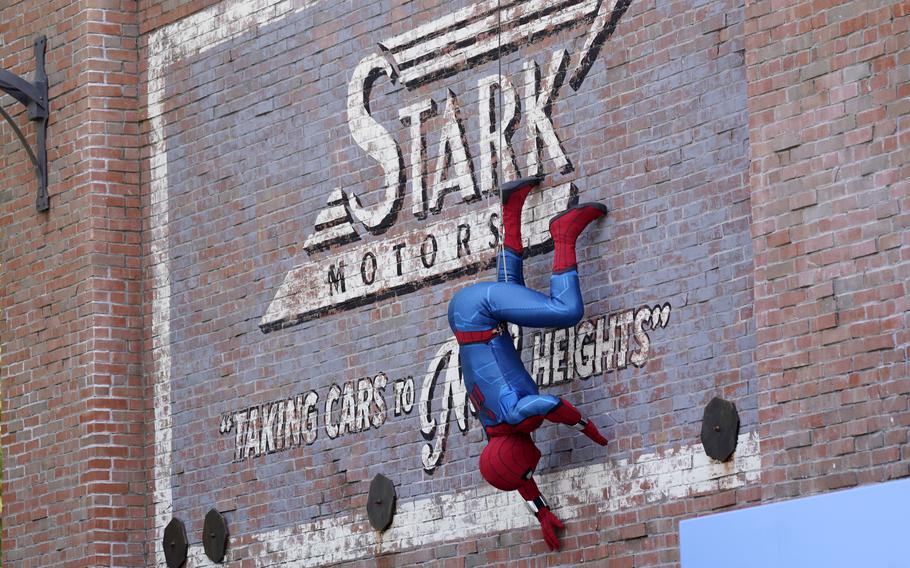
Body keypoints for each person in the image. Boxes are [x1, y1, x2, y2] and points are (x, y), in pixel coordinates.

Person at [447, 175, 609, 551]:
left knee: (567, 310)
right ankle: (512, 206)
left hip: (481, 314)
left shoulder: (518, 416)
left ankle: (563, 234)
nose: (531, 470)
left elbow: (549, 405)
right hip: (474, 319)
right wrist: (541, 511)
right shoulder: (496, 432)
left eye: (528, 467)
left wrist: (586, 428)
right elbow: (514, 473)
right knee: (513, 288)